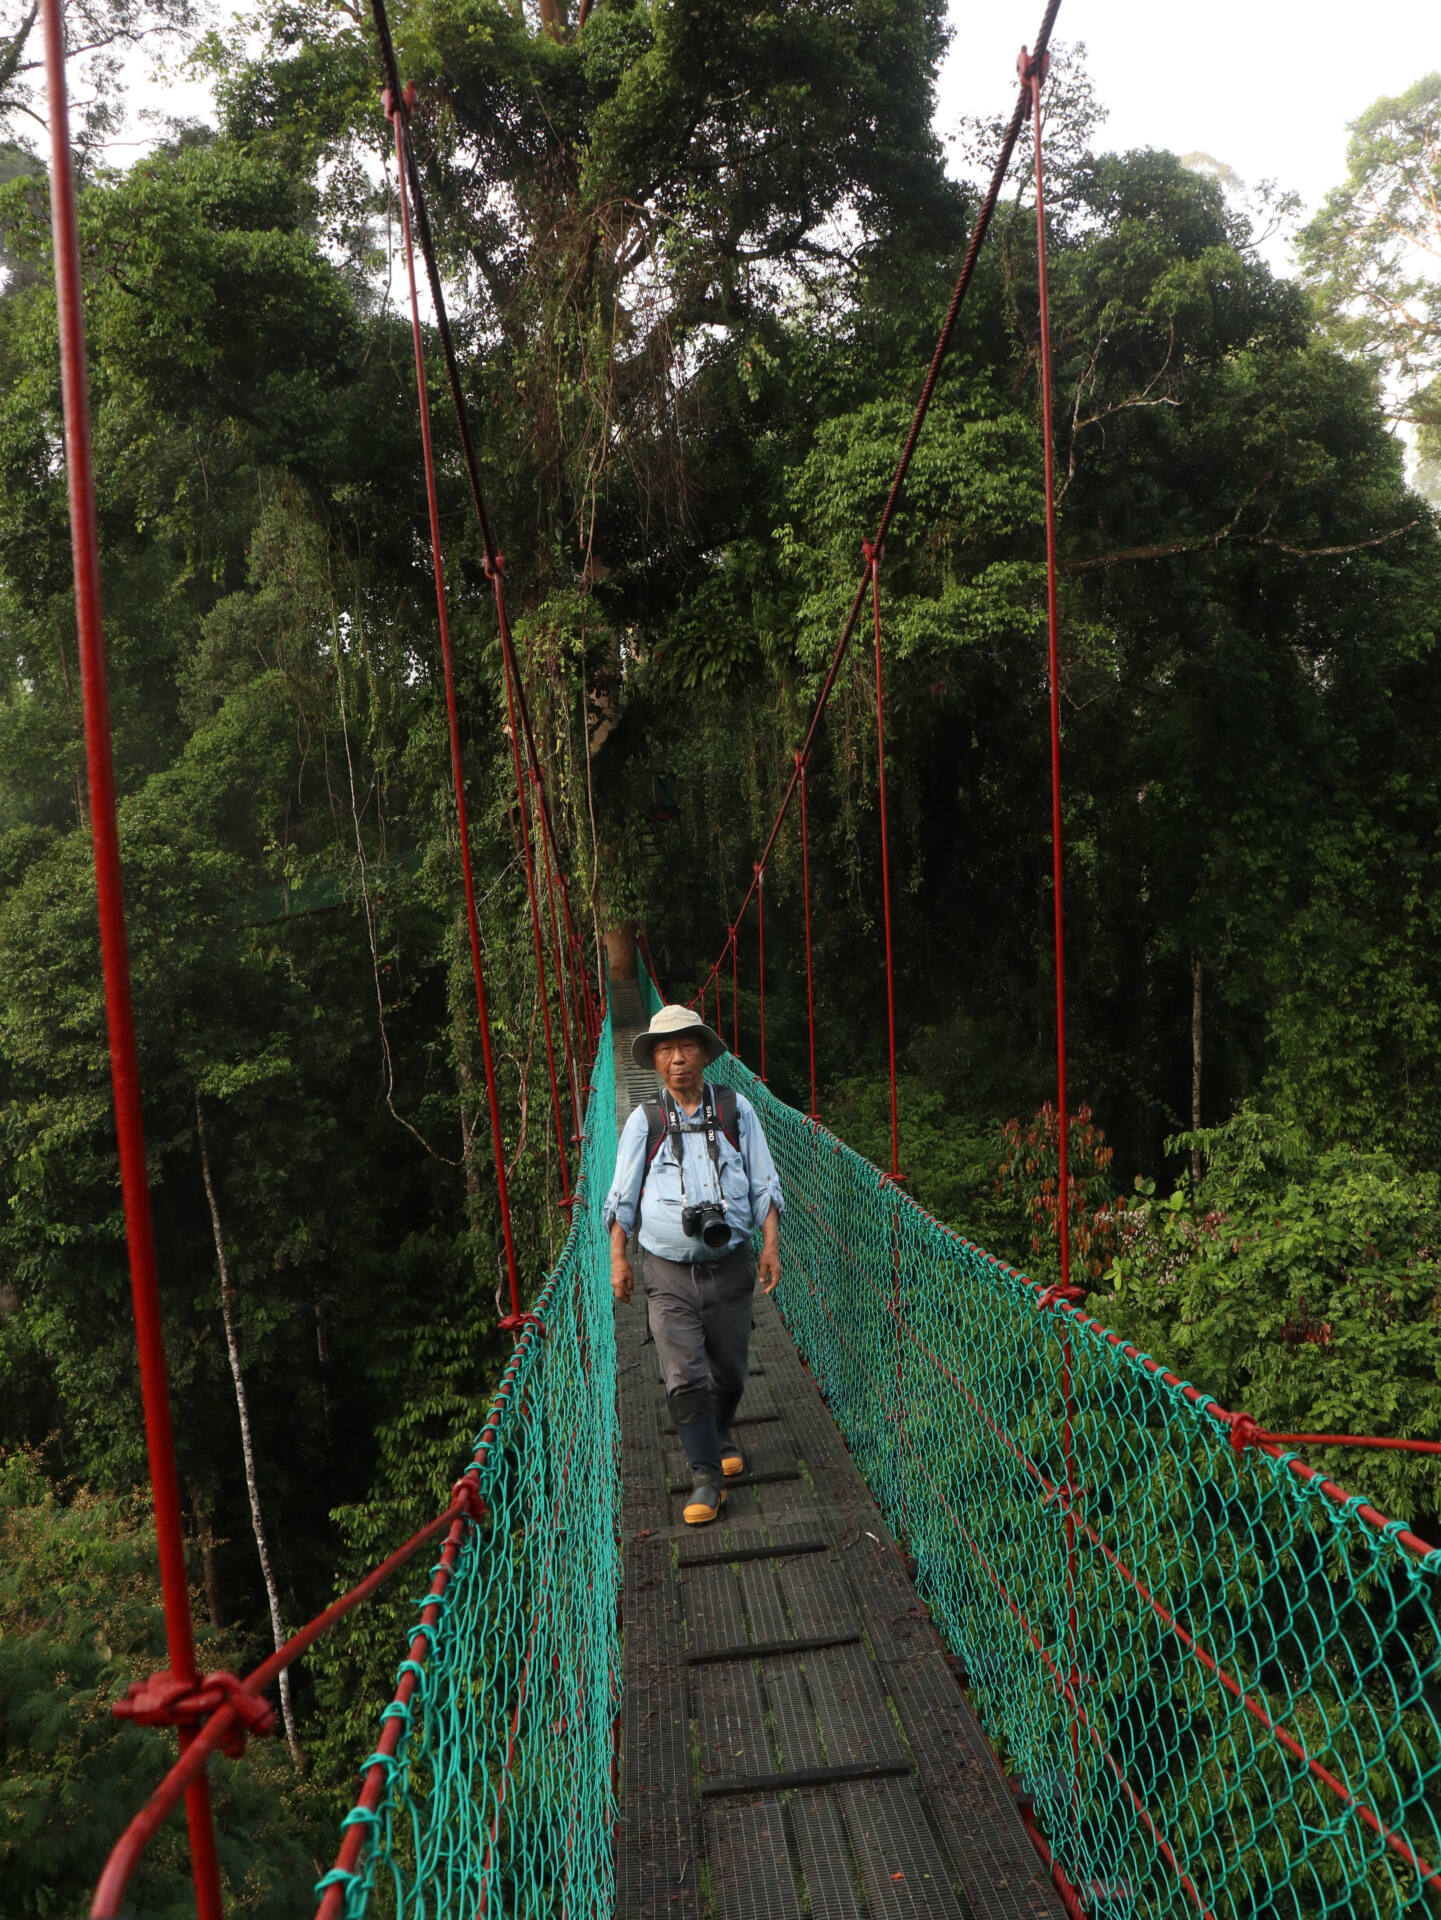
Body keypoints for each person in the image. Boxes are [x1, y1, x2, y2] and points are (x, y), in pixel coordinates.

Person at [605, 1003, 783, 1525]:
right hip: (666, 1272)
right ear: (655, 1061)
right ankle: (705, 1476)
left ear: (704, 1053)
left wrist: (770, 1246)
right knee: (683, 1372)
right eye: (666, 1049)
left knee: (729, 1368)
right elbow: (622, 1196)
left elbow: (763, 1184)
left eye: (687, 1046)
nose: (678, 1058)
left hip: (731, 1265)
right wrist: (619, 1257)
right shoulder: (645, 1120)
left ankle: (722, 1429)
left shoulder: (736, 1110)